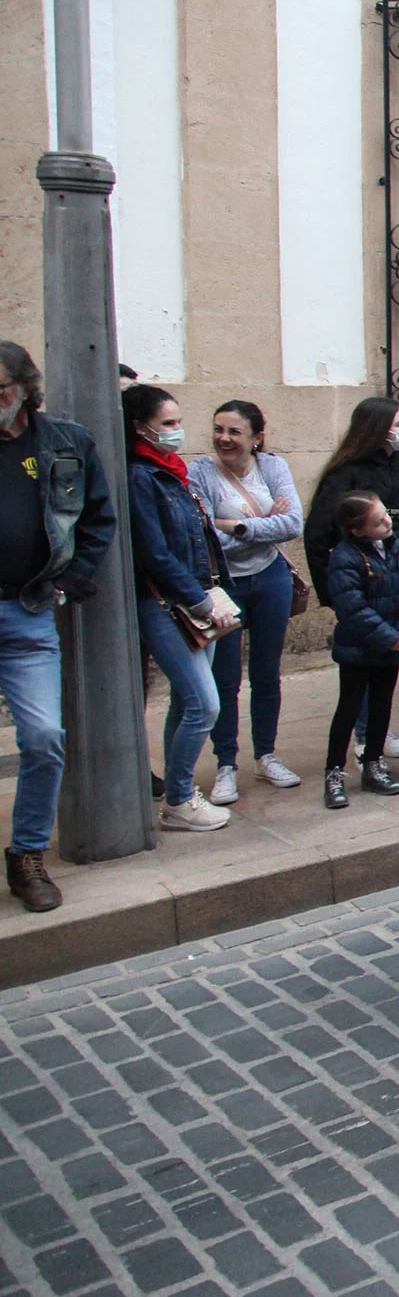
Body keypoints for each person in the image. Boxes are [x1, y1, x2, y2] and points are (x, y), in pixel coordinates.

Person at [0, 343, 115, 913]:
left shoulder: (65, 442)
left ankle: (26, 858)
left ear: (23, 387)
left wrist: (70, 583)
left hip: (26, 611)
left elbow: (98, 520)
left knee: (45, 739)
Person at [124, 385, 231, 832]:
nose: (177, 431)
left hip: (194, 596)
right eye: (167, 424)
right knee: (203, 705)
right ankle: (182, 798)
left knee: (187, 704)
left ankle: (177, 793)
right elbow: (155, 552)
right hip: (169, 603)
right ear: (139, 428)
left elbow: (197, 538)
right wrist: (200, 598)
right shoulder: (140, 476)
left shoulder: (172, 472)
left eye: (178, 421)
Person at [189, 401, 304, 805]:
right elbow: (201, 535)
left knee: (267, 672)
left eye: (234, 432)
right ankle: (225, 764)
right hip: (224, 585)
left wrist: (234, 525)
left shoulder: (273, 468)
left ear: (256, 437)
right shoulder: (200, 473)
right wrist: (262, 526)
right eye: (218, 429)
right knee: (225, 678)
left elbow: (292, 525)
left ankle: (266, 754)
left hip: (271, 578)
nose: (224, 438)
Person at [320, 491, 399, 808]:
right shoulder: (344, 558)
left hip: (390, 644)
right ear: (357, 531)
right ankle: (334, 772)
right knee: (349, 708)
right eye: (378, 522)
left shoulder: (395, 548)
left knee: (382, 706)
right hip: (359, 648)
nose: (388, 522)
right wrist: (387, 635)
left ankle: (373, 763)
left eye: (386, 514)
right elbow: (353, 609)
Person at [304, 397, 399, 596]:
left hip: (395, 569)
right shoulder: (346, 472)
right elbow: (317, 535)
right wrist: (332, 592)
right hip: (359, 574)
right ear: (378, 429)